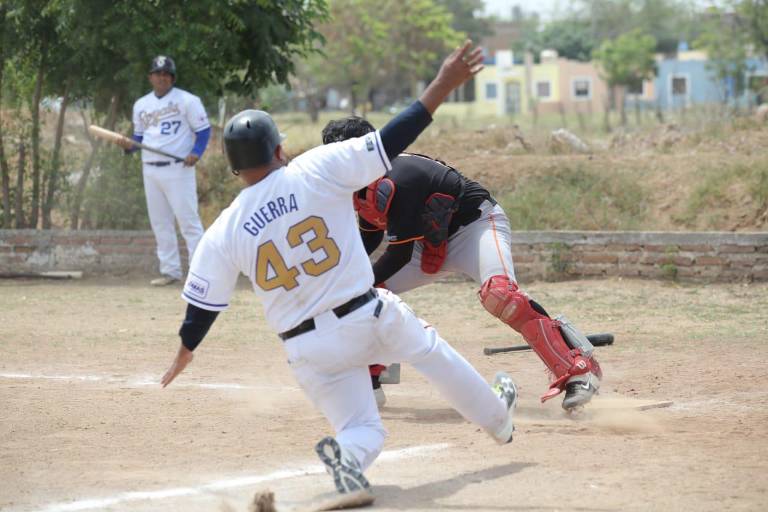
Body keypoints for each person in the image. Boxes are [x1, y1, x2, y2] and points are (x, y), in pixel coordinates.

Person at [159, 42, 518, 503]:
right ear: (280, 148)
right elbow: (392, 139)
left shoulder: (224, 228)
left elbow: (202, 308)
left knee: (362, 427)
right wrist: (442, 84)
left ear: (233, 169)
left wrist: (186, 350)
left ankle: (348, 460)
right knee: (429, 351)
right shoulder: (314, 168)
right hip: (364, 314)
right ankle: (497, 417)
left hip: (305, 349)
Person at [321, 117, 603, 412]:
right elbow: (369, 237)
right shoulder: (359, 183)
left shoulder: (401, 174)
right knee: (362, 293)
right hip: (425, 243)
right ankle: (370, 377)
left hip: (474, 226)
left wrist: (356, 282)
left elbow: (399, 255)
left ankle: (579, 370)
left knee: (500, 294)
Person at [118, 55, 211, 286]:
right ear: (150, 77)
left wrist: (196, 153)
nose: (162, 77)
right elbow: (139, 139)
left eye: (166, 74)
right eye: (157, 73)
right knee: (160, 223)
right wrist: (128, 146)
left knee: (188, 222)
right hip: (150, 169)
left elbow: (203, 131)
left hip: (178, 167)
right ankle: (170, 271)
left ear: (172, 78)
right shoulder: (141, 104)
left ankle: (200, 273)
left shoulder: (187, 101)